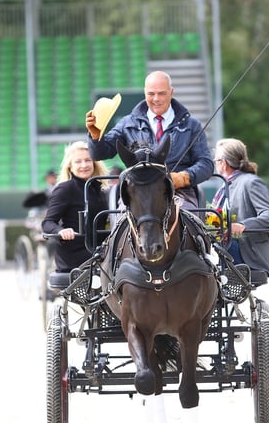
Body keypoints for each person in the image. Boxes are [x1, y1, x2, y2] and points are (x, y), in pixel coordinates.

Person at [85, 71, 213, 211]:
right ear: (145, 93)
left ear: (171, 92)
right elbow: (100, 154)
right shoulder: (128, 123)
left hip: (180, 192)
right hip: (135, 192)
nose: (156, 99)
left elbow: (206, 164)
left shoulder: (191, 125)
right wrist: (95, 137)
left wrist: (183, 178)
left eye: (162, 93)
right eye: (151, 94)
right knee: (120, 224)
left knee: (189, 224)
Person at [213, 138, 269, 278]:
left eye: (215, 160)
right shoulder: (225, 185)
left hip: (247, 251)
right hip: (229, 246)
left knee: (211, 248)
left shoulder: (251, 182)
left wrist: (243, 225)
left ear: (223, 163)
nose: (215, 164)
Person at [41, 141, 109, 273]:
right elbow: (48, 222)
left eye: (88, 160)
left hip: (102, 253)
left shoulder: (100, 189)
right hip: (76, 256)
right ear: (70, 166)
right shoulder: (64, 189)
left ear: (94, 163)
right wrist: (61, 231)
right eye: (78, 161)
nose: (84, 165)